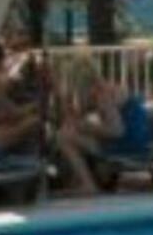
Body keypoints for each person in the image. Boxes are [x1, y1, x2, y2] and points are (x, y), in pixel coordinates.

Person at [55, 57, 145, 194]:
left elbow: (117, 131)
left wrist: (87, 127)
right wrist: (66, 102)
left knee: (63, 137)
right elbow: (77, 116)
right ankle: (82, 181)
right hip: (135, 138)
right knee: (68, 133)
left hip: (129, 143)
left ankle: (88, 185)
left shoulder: (102, 95)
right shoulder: (102, 89)